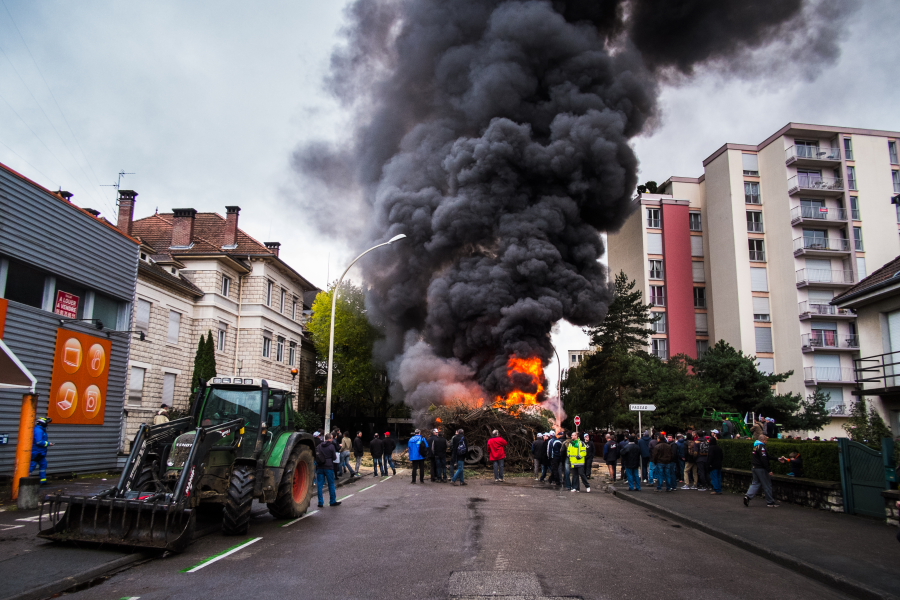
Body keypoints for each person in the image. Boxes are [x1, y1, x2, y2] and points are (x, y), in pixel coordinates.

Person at [744, 434, 778, 507]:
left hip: (755, 467)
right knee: (767, 485)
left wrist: (777, 459)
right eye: (766, 440)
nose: (767, 441)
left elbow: (767, 456)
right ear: (763, 440)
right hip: (761, 468)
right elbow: (764, 459)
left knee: (755, 483)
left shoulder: (756, 446)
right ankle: (770, 502)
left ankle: (748, 496)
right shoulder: (762, 447)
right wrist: (769, 470)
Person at [315, 433, 341, 507]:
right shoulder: (331, 446)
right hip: (329, 467)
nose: (332, 440)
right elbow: (334, 457)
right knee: (331, 484)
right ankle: (332, 501)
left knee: (320, 485)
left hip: (320, 467)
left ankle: (320, 502)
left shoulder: (319, 446)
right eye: (332, 438)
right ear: (329, 439)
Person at [31, 417, 53, 485]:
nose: (47, 424)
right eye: (46, 423)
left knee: (43, 465)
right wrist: (48, 443)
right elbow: (39, 442)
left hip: (40, 452)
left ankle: (43, 481)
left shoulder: (41, 430)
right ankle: (24, 480)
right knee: (32, 466)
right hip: (36, 452)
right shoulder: (39, 430)